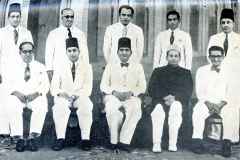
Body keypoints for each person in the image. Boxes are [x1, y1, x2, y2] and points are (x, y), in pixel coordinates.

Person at [100, 37, 146, 151]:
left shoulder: (138, 66)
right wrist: (114, 92)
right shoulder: (110, 66)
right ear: (117, 52)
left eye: (126, 50)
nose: (124, 53)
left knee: (136, 108)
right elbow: (103, 85)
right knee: (111, 108)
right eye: (121, 50)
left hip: (131, 96)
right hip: (113, 96)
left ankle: (124, 141)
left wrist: (132, 92)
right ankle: (114, 141)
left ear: (131, 52)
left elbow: (143, 86)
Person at [191, 46, 235, 158]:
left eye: (218, 56)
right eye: (213, 56)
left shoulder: (230, 71)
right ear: (209, 57)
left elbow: (231, 91)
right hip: (206, 102)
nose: (216, 59)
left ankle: (226, 142)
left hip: (224, 103)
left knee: (231, 111)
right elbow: (199, 90)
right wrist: (207, 103)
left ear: (223, 56)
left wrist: (221, 104)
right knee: (197, 110)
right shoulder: (201, 70)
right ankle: (197, 140)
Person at [5, 42, 49, 152]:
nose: (28, 54)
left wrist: (37, 93)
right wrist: (15, 92)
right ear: (20, 52)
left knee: (42, 102)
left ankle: (32, 137)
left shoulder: (40, 67)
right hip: (18, 97)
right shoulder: (12, 67)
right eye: (25, 51)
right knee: (11, 103)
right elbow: (6, 84)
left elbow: (45, 85)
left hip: (33, 97)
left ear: (33, 52)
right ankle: (19, 138)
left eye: (30, 51)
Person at [51, 37, 93, 151]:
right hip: (64, 97)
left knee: (86, 106)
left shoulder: (87, 66)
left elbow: (88, 88)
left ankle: (85, 139)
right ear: (66, 52)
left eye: (74, 50)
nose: (72, 53)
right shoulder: (60, 66)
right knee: (59, 107)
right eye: (69, 51)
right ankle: (60, 138)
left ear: (79, 51)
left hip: (80, 96)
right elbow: (54, 86)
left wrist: (75, 96)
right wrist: (62, 94)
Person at [149, 44, 193, 153]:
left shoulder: (186, 73)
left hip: (178, 102)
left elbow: (188, 91)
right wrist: (164, 97)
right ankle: (156, 143)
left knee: (176, 107)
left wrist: (175, 98)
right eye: (171, 56)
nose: (173, 58)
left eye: (176, 56)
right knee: (158, 110)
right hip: (160, 101)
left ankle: (172, 143)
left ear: (180, 58)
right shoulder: (158, 71)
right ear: (166, 57)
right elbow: (151, 89)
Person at [0, 3, 33, 139]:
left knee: (16, 100)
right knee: (3, 99)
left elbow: (30, 54)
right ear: (8, 18)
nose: (15, 19)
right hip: (5, 71)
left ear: (20, 17)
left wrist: (28, 71)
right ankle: (4, 130)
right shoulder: (1, 32)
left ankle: (17, 132)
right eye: (12, 17)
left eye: (17, 17)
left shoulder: (26, 33)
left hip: (20, 71)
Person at [45, 8, 89, 82]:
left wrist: (85, 68)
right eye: (67, 17)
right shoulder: (53, 34)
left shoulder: (80, 34)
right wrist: (49, 69)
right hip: (59, 69)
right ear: (62, 18)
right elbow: (49, 53)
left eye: (72, 17)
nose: (70, 19)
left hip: (76, 69)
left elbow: (84, 53)